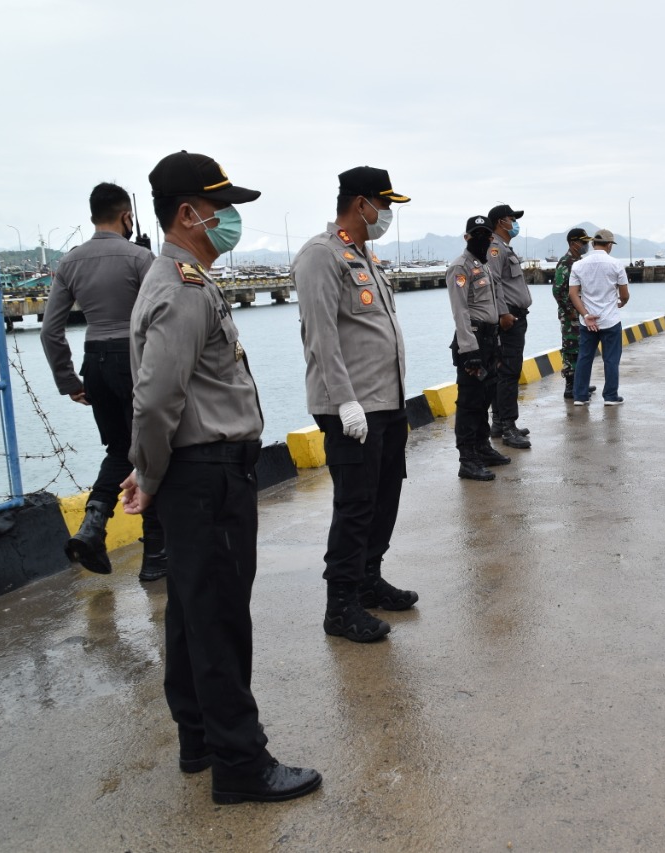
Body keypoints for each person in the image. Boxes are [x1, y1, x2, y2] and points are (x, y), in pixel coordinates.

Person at [121, 150, 320, 804]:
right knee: (219, 617)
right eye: (220, 207)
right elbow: (155, 399)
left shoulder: (183, 279)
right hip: (207, 473)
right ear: (188, 214)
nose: (228, 219)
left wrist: (149, 471)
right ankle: (241, 761)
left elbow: (161, 398)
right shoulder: (181, 285)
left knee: (191, 609)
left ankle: (200, 737)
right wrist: (147, 475)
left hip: (196, 472)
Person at [293, 166, 416, 645]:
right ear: (360, 203)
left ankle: (369, 577)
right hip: (353, 409)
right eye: (383, 205)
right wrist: (345, 401)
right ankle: (340, 606)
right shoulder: (321, 256)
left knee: (385, 498)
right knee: (355, 506)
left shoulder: (364, 254)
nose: (386, 214)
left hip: (386, 402)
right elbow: (321, 336)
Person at [40, 182, 166, 582]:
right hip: (134, 360)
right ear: (126, 215)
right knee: (152, 449)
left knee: (119, 450)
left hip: (93, 360)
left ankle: (93, 527)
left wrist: (69, 380)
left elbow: (50, 331)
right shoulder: (141, 257)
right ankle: (156, 557)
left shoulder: (71, 261)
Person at [445, 216, 510, 482]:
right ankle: (467, 459)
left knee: (486, 396)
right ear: (467, 237)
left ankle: (482, 447)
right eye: (477, 234)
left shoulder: (484, 266)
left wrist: (494, 343)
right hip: (472, 340)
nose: (483, 239)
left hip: (489, 339)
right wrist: (469, 351)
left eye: (487, 234)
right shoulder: (460, 268)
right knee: (470, 401)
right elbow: (460, 311)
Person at [486, 203, 533, 449]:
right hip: (509, 319)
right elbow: (493, 282)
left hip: (515, 316)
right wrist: (503, 313)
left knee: (506, 370)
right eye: (511, 218)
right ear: (500, 222)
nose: (515, 222)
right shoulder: (495, 248)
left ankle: (499, 423)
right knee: (508, 372)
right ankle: (507, 426)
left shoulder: (504, 247)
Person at [569, 229, 630, 406]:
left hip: (587, 321)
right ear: (609, 245)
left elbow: (573, 294)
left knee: (584, 357)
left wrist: (586, 314)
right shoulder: (616, 264)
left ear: (593, 243)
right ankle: (610, 396)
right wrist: (621, 303)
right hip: (610, 320)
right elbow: (624, 294)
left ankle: (580, 396)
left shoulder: (579, 264)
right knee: (611, 359)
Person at [552, 228, 596, 398]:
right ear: (573, 243)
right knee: (571, 348)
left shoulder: (579, 261)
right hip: (571, 314)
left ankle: (581, 382)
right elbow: (558, 290)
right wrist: (570, 311)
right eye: (583, 242)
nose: (586, 245)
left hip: (581, 313)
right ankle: (570, 386)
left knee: (582, 347)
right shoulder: (566, 262)